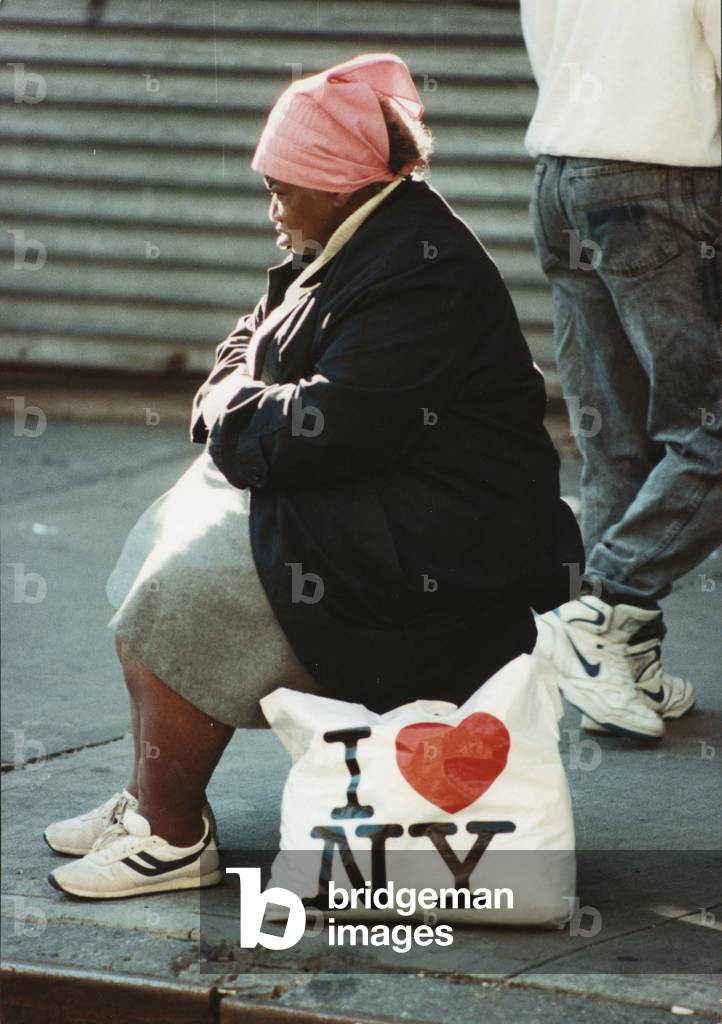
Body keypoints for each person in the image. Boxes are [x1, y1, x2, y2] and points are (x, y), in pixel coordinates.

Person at [44, 53, 582, 900]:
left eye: (283, 189)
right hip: (376, 497)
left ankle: (173, 837)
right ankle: (152, 800)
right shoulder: (346, 234)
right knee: (163, 537)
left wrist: (229, 410)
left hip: (435, 543)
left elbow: (325, 430)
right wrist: (234, 403)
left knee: (189, 588)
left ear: (339, 186)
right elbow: (243, 348)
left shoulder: (420, 270)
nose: (272, 209)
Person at [521, 0, 721, 738]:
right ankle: (601, 609)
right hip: (661, 184)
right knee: (710, 432)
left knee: (617, 442)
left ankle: (617, 660)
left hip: (562, 179)